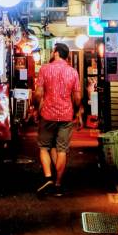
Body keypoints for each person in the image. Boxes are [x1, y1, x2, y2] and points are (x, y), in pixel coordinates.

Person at [32, 43, 82, 197]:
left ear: (56, 53)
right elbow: (77, 97)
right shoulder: (73, 72)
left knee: (44, 147)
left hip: (47, 114)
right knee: (62, 150)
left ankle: (48, 177)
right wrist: (77, 112)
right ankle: (58, 185)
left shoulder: (45, 69)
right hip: (66, 115)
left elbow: (39, 93)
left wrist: (35, 108)